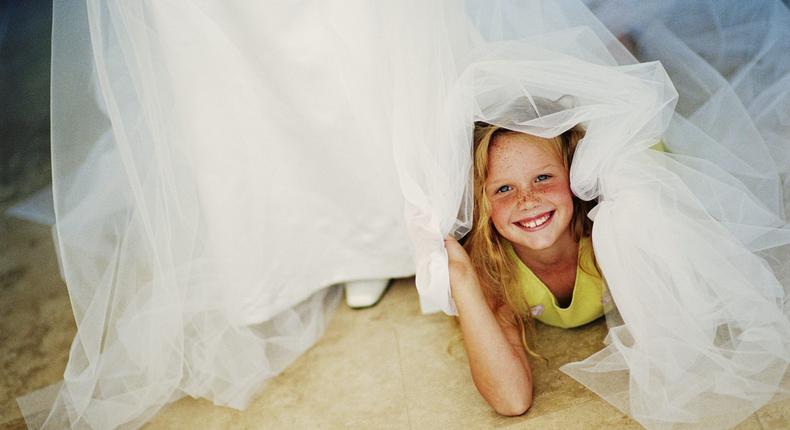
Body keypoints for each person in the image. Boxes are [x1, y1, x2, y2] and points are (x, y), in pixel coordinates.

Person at [444, 123, 599, 415]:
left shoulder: (610, 233)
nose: (527, 200)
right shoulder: (494, 270)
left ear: (574, 177)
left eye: (543, 177)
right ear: (482, 204)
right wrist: (460, 278)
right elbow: (512, 400)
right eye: (503, 188)